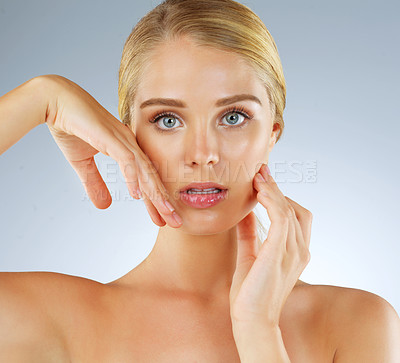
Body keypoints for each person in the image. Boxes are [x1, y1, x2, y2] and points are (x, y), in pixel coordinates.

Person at [0, 0, 399, 361]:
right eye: (167, 120)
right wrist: (41, 98)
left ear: (272, 133)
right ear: (126, 136)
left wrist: (258, 331)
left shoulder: (357, 322)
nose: (202, 153)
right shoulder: (53, 317)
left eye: (233, 117)